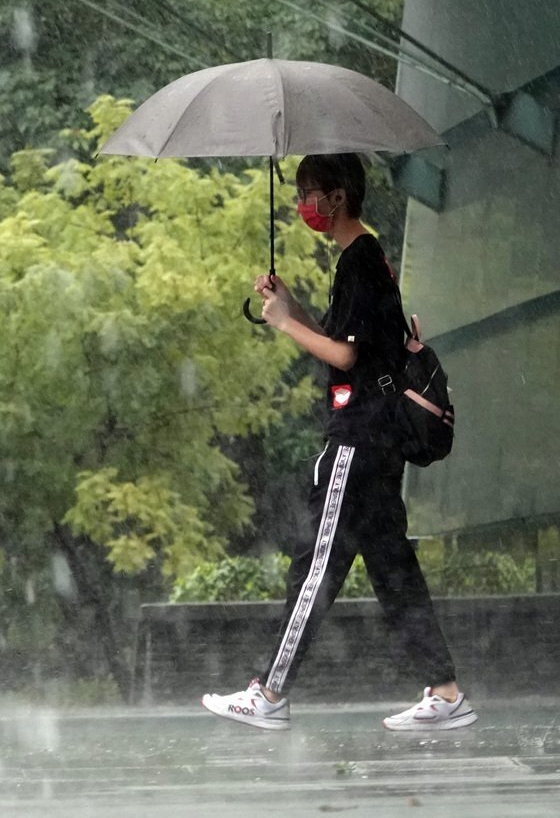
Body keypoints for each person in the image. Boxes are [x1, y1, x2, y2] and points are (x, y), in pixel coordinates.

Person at [200, 153, 476, 732]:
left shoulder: (360, 261)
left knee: (315, 564)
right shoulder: (364, 259)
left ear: (337, 197)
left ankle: (269, 691)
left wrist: (281, 323)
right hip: (379, 443)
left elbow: (346, 357)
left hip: (356, 442)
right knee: (393, 570)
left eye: (308, 192)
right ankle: (445, 691)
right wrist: (291, 305)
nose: (303, 204)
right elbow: (345, 341)